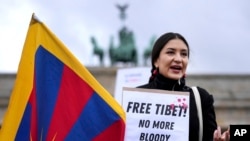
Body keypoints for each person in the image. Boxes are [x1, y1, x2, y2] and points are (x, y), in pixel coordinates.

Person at [137, 32, 230, 141]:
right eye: (171, 52)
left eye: (184, 54)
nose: (178, 59)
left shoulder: (200, 98)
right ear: (156, 61)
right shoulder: (137, 96)